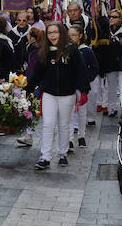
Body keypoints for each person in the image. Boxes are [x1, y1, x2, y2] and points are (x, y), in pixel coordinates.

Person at [28, 22, 92, 170]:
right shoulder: (44, 51)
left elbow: (81, 71)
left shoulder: (72, 50)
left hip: (67, 94)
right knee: (48, 124)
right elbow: (38, 72)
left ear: (61, 33)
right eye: (50, 33)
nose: (52, 35)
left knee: (64, 125)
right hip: (49, 93)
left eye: (55, 32)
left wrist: (83, 91)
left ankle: (62, 154)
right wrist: (29, 88)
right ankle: (45, 157)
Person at [66, 25, 99, 151]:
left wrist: (86, 79)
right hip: (69, 86)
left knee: (81, 112)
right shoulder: (66, 50)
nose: (71, 38)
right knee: (68, 114)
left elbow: (94, 67)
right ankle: (69, 139)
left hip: (82, 86)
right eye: (69, 35)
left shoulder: (87, 51)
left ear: (80, 36)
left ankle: (81, 135)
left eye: (74, 35)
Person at [92, 10, 122, 117]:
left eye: (114, 17)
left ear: (120, 19)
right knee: (111, 88)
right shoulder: (106, 32)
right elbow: (102, 51)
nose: (111, 18)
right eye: (110, 17)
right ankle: (113, 108)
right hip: (110, 65)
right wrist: (102, 67)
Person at [16, 26, 46, 147]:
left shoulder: (36, 51)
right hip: (35, 83)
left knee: (32, 110)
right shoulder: (36, 49)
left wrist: (30, 83)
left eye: (29, 36)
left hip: (35, 84)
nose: (28, 38)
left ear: (33, 38)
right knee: (33, 110)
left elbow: (33, 69)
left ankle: (30, 136)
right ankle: (29, 135)